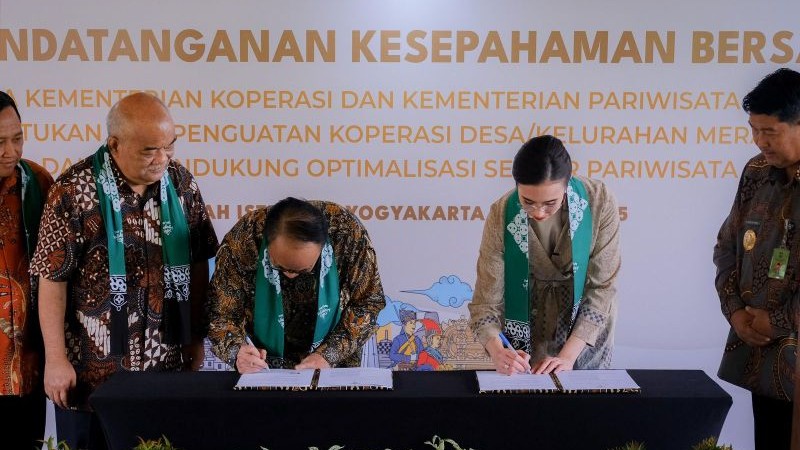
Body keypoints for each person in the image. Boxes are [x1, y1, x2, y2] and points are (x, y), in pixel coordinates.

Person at [31, 92, 219, 450]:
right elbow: (52, 279)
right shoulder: (73, 191)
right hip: (92, 377)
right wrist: (55, 358)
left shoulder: (181, 183)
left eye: (169, 145)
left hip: (166, 370)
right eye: (150, 150)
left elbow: (199, 263)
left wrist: (195, 337)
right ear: (115, 144)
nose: (162, 158)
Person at [468, 135, 621, 376]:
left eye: (550, 203)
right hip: (527, 326)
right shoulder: (501, 214)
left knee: (585, 395)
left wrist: (567, 357)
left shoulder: (599, 201)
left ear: (567, 184)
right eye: (528, 202)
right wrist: (498, 352)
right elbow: (485, 303)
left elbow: (602, 287)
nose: (539, 212)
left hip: (584, 331)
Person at [713, 67, 800, 450]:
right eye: (754, 129)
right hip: (763, 360)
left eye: (770, 132)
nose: (760, 141)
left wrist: (777, 321)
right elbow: (726, 248)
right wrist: (736, 312)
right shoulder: (756, 172)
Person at [208, 197, 384, 372]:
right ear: (266, 240)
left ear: (323, 246)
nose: (290, 275)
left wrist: (329, 354)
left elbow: (368, 303)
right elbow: (221, 315)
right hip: (262, 363)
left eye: (303, 271)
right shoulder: (243, 240)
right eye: (280, 267)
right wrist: (237, 352)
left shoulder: (347, 234)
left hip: (333, 358)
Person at [0, 91, 54, 449]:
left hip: (26, 364)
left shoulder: (37, 182)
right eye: (0, 142)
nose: (12, 151)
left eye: (17, 138)